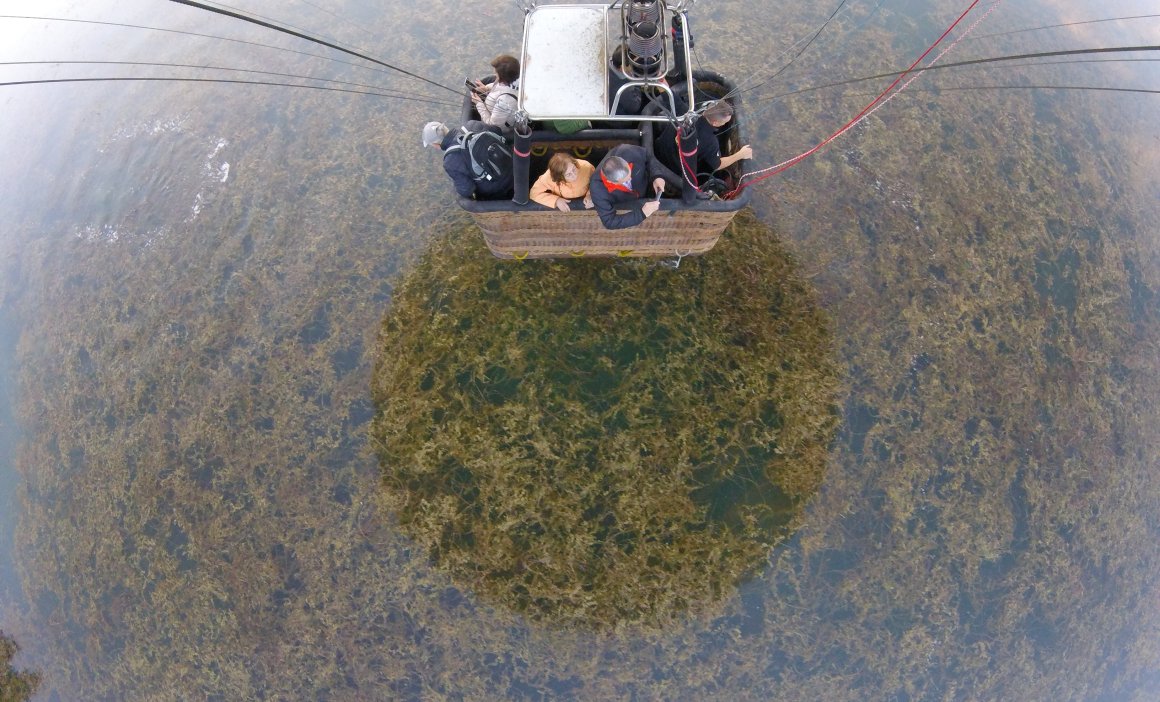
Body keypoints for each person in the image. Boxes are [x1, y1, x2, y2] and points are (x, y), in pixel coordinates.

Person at [654, 100, 753, 183]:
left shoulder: (686, 111)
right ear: (715, 122)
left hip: (657, 151)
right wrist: (740, 154)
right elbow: (717, 165)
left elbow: (669, 95)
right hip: (673, 170)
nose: (724, 124)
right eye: (724, 122)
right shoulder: (711, 142)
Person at [588, 144, 682, 230]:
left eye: (630, 172)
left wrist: (657, 175)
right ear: (610, 181)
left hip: (647, 187)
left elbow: (648, 156)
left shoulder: (627, 151)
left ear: (624, 161)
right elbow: (609, 221)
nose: (630, 179)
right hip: (630, 203)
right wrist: (642, 214)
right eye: (625, 181)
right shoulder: (597, 189)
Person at [422, 120, 512, 200]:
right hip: (512, 162)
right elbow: (497, 131)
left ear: (435, 144)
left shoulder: (449, 162)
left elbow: (467, 189)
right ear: (445, 127)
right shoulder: (471, 124)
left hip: (499, 186)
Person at [471, 54, 520, 138]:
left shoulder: (505, 101)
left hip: (502, 129)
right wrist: (486, 88)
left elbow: (493, 124)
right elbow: (499, 86)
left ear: (503, 77)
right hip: (494, 108)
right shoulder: (512, 80)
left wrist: (479, 103)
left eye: (496, 73)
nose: (495, 74)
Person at [530, 153, 595, 211]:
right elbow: (534, 193)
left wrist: (590, 195)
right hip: (563, 206)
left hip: (586, 202)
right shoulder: (548, 177)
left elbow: (596, 183)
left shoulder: (587, 167)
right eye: (568, 174)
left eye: (573, 169)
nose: (574, 175)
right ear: (559, 177)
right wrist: (556, 200)